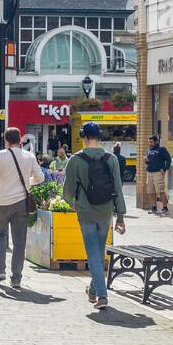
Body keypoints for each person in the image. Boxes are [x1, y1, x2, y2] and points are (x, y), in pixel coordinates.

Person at [62, 121, 127, 310]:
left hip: (86, 211)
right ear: (99, 137)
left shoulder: (75, 160)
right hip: (106, 210)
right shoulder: (111, 159)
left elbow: (67, 191)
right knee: (98, 251)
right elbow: (118, 189)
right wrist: (120, 216)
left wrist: (73, 204)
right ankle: (93, 290)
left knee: (92, 252)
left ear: (83, 137)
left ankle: (102, 295)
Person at [0, 127, 44, 290]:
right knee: (19, 242)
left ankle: (0, 270)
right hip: (20, 203)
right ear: (21, 140)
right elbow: (40, 177)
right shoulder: (29, 156)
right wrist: (26, 182)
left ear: (6, 141)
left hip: (1, 202)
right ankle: (16, 277)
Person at [144, 134, 172, 215]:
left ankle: (165, 208)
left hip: (158, 173)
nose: (150, 143)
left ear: (156, 142)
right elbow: (148, 161)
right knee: (151, 191)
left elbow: (168, 159)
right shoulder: (149, 149)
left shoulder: (161, 149)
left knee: (160, 191)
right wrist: (146, 161)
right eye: (149, 142)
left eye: (151, 142)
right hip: (149, 172)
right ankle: (154, 208)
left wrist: (165, 168)